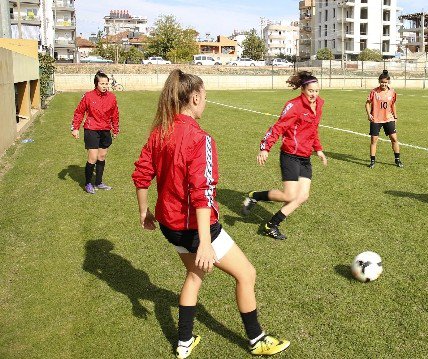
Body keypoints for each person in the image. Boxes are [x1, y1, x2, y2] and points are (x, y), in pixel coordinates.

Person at [132, 69, 290, 358]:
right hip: (195, 229)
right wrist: (205, 241)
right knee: (246, 274)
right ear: (194, 98)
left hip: (169, 226)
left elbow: (142, 174)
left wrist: (144, 211)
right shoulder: (199, 138)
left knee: (194, 275)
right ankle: (257, 340)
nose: (205, 101)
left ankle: (183, 342)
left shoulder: (159, 131)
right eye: (204, 97)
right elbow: (202, 193)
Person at [241, 71, 327, 240]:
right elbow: (278, 127)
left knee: (302, 196)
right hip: (290, 155)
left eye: (317, 91)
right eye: (310, 91)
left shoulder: (319, 105)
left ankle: (271, 225)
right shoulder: (294, 106)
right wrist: (265, 148)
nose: (314, 94)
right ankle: (255, 196)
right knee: (289, 195)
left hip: (305, 157)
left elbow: (313, 130)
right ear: (303, 89)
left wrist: (318, 149)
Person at [71, 70, 119, 194]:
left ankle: (99, 182)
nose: (105, 86)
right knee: (92, 157)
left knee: (101, 156)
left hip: (105, 130)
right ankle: (88, 183)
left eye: (106, 84)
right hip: (91, 129)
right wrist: (75, 128)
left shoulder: (112, 97)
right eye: (102, 83)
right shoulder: (88, 96)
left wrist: (115, 129)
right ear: (96, 83)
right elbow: (79, 112)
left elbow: (115, 114)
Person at [365, 70, 402, 169]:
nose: (383, 84)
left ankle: (397, 160)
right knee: (374, 140)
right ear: (379, 81)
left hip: (388, 118)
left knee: (394, 139)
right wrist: (369, 115)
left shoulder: (392, 92)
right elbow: (367, 103)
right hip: (376, 119)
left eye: (385, 82)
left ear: (388, 82)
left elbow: (393, 104)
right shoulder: (374, 92)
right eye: (382, 82)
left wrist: (395, 116)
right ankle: (372, 161)